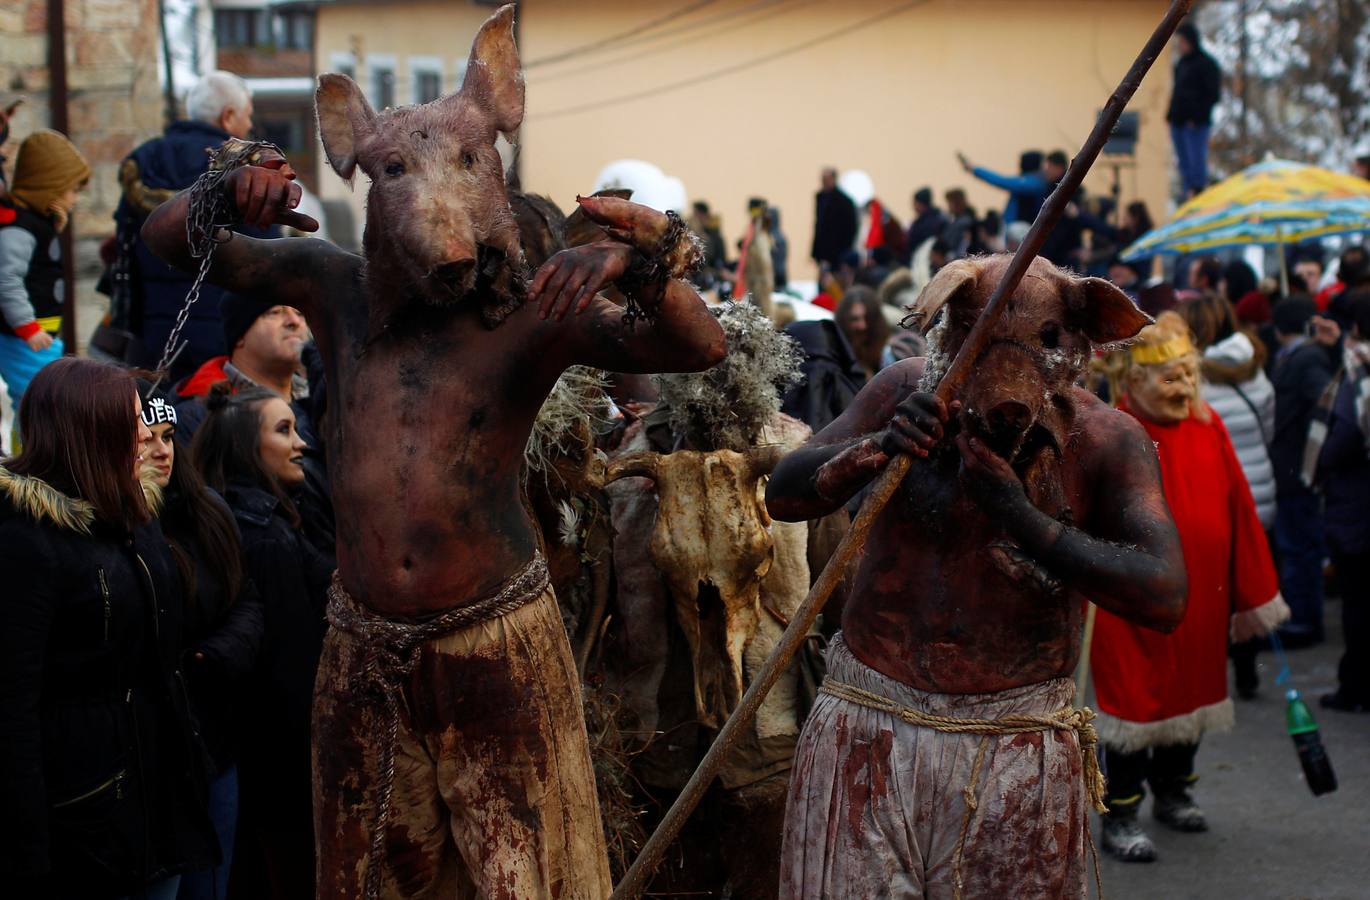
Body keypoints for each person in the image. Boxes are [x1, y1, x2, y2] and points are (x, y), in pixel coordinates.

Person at [140, 9, 725, 895]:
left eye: (463, 160)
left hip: (494, 639)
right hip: (364, 649)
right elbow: (164, 240)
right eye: (393, 170)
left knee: (528, 874)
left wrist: (640, 259)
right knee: (375, 875)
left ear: (496, 152)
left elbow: (698, 347)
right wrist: (228, 188)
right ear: (361, 167)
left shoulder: (532, 318)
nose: (430, 198)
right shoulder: (333, 287)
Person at [768, 255, 1187, 897]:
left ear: (1079, 342)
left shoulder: (1107, 439)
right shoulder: (904, 390)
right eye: (980, 340)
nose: (1007, 373)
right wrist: (878, 446)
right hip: (870, 727)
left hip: (1017, 745)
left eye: (1045, 341)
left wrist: (1024, 519)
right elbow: (785, 493)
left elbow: (1164, 594)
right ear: (950, 327)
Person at [0, 357, 217, 898]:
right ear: (85, 429)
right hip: (83, 820)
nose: (147, 433)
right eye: (133, 420)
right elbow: (12, 707)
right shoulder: (24, 542)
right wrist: (28, 850)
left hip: (156, 798)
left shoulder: (134, 518)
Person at [1092, 313, 1286, 862]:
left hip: (1203, 594)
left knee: (1192, 690)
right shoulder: (1115, 430)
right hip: (1132, 595)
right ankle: (1121, 811)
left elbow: (1240, 509)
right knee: (1133, 698)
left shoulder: (1208, 424)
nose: (1183, 388)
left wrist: (1254, 590)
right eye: (1169, 378)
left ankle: (1175, 791)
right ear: (1133, 378)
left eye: (1188, 375)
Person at [193, 385, 334, 899]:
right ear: (245, 448)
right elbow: (293, 665)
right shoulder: (265, 537)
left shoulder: (250, 519)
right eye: (283, 431)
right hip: (281, 758)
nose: (300, 444)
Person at [137, 379, 265, 900]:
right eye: (145, 439)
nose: (161, 450)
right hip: (150, 759)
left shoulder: (206, 510)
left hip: (212, 740)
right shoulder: (111, 526)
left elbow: (247, 599)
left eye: (167, 435)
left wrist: (212, 657)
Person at [112, 71, 278, 382]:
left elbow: (124, 244)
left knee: (163, 422)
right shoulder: (246, 168)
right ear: (228, 117)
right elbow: (267, 259)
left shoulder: (144, 161)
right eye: (247, 117)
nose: (250, 127)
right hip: (225, 335)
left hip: (154, 333)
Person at [1306, 291, 1370, 712]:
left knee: (1359, 603)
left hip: (1357, 506)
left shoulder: (1359, 368)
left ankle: (1356, 687)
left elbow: (1345, 431)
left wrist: (1322, 460)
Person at [0, 129, 90, 409]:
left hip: (41, 335)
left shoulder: (36, 223)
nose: (75, 199)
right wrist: (27, 326)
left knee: (39, 401)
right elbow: (7, 280)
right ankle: (30, 452)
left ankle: (27, 449)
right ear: (48, 186)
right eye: (73, 190)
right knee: (37, 403)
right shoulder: (19, 228)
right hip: (25, 337)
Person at [1269, 298, 1337, 647]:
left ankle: (1303, 621)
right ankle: (1302, 616)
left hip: (1297, 467)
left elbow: (1326, 401)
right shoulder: (1301, 356)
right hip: (1292, 465)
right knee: (1297, 543)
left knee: (1299, 545)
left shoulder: (1307, 358)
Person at [1168, 21, 1222, 198]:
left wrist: (1196, 117)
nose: (1180, 46)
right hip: (1178, 122)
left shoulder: (1207, 64)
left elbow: (1212, 95)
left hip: (1196, 124)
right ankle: (1188, 193)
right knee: (1184, 165)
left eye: (1182, 42)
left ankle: (1197, 193)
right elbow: (1177, 92)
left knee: (1196, 164)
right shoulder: (1181, 64)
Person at [959, 148, 1049, 224]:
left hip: (1021, 231)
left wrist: (974, 169)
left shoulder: (1034, 184)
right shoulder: (1032, 182)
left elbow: (1001, 181)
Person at [835, 285, 891, 380]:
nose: (862, 325)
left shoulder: (886, 355)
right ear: (844, 320)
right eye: (855, 319)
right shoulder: (835, 358)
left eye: (867, 318)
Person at [811, 166, 858, 273]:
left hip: (838, 252)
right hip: (823, 252)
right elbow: (819, 226)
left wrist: (844, 251)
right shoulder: (821, 197)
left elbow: (850, 228)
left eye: (826, 179)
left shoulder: (844, 202)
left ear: (833, 179)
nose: (824, 182)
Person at [903, 187, 946, 263]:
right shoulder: (937, 217)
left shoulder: (925, 222)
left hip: (921, 259)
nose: (913, 206)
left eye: (915, 203)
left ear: (921, 204)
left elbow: (914, 241)